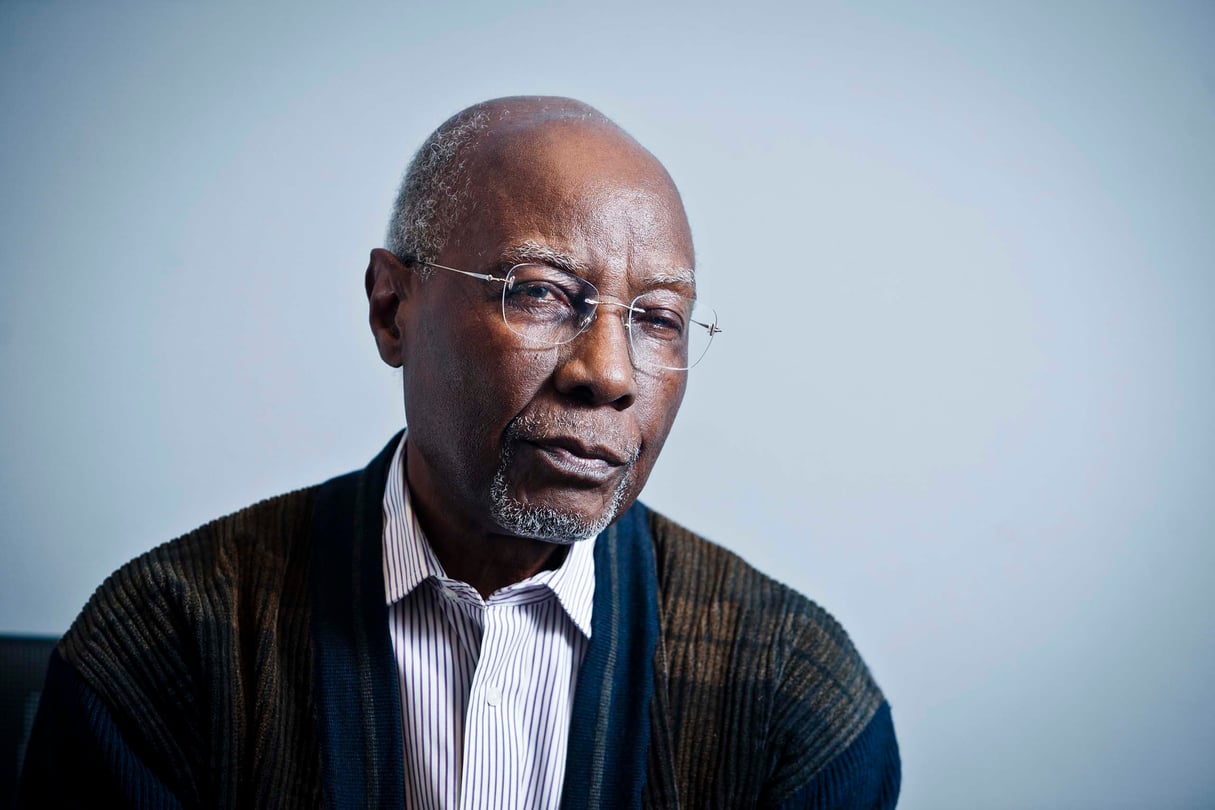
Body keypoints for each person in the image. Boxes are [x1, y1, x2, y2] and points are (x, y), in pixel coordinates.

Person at [18, 96, 900, 808]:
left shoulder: (794, 696)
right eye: (545, 295)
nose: (609, 374)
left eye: (657, 318)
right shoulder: (164, 648)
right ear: (392, 308)